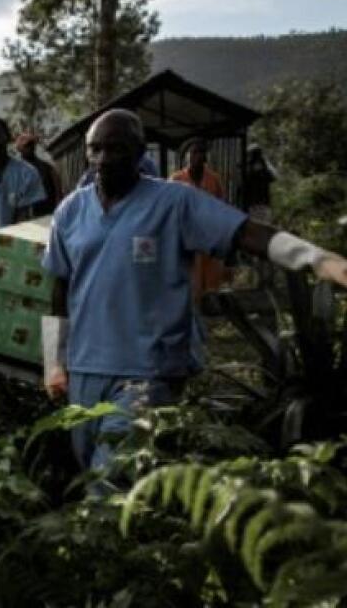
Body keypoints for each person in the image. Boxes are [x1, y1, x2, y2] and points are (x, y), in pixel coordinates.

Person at [40, 109, 347, 483]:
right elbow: (59, 286)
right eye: (95, 150)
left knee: (113, 477)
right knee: (92, 472)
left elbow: (245, 232)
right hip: (87, 367)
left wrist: (318, 259)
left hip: (146, 371)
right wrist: (54, 361)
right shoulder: (71, 211)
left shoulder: (174, 203)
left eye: (116, 149)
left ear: (139, 153)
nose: (103, 160)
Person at [170, 138, 229, 301]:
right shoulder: (176, 180)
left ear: (205, 157)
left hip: (208, 236)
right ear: (187, 157)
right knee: (190, 275)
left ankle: (210, 305)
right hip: (186, 236)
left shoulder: (213, 179)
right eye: (193, 153)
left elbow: (221, 207)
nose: (196, 156)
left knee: (210, 276)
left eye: (200, 153)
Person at [15, 133, 62, 217]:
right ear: (19, 149)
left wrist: (58, 210)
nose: (30, 147)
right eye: (26, 146)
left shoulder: (47, 167)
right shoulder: (15, 171)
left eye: (32, 144)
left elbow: (58, 191)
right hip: (26, 216)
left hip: (48, 212)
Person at [243, 144, 278, 222]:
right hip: (263, 205)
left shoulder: (248, 168)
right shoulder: (265, 169)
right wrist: (265, 162)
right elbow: (275, 176)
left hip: (251, 205)